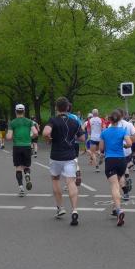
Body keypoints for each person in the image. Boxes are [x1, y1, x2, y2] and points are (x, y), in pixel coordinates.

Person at [42, 97, 85, 226]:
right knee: (70, 182)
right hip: (70, 156)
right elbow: (82, 138)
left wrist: (48, 139)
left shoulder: (53, 120)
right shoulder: (74, 122)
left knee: (55, 180)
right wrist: (74, 137)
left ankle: (60, 208)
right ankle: (75, 210)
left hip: (56, 156)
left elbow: (46, 132)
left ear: (56, 108)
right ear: (67, 107)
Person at [99, 109, 132, 226]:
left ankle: (119, 210)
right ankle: (115, 208)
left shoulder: (104, 132)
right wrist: (124, 145)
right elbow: (129, 143)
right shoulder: (123, 130)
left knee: (114, 186)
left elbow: (101, 148)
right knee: (117, 185)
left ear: (109, 120)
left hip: (110, 160)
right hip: (121, 161)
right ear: (119, 119)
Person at [6, 104, 37, 197]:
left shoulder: (12, 122)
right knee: (26, 165)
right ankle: (27, 174)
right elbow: (35, 132)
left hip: (17, 146)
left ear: (16, 111)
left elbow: (9, 137)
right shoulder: (29, 121)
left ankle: (21, 188)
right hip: (27, 146)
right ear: (24, 111)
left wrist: (8, 136)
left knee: (18, 167)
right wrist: (30, 137)